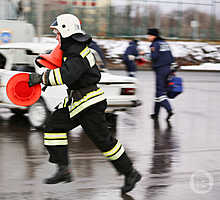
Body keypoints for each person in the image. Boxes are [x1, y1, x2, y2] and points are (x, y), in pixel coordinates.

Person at [28, 14, 141, 195]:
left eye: (57, 32)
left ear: (66, 30)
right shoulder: (72, 49)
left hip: (89, 104)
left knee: (104, 142)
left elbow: (66, 76)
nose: (56, 36)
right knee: (53, 126)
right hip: (77, 101)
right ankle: (63, 170)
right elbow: (63, 71)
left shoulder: (77, 52)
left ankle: (130, 172)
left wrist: (41, 78)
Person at [147, 28, 174, 121]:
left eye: (149, 35)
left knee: (160, 92)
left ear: (154, 36)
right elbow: (171, 56)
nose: (148, 37)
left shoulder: (155, 44)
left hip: (160, 69)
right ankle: (155, 114)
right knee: (158, 92)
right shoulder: (164, 43)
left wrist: (145, 55)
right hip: (168, 69)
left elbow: (154, 57)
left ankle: (169, 109)